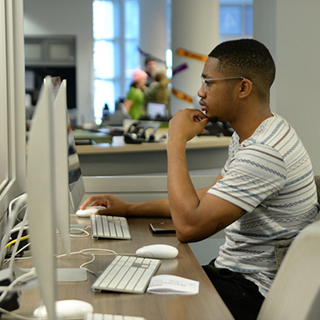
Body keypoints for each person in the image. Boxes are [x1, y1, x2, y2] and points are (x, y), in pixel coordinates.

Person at [80, 39, 319, 320]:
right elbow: (210, 196)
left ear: (243, 87)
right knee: (125, 287)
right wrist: (129, 208)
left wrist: (175, 142)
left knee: (134, 304)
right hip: (232, 275)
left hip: (251, 292)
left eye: (209, 83)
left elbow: (189, 227)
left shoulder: (265, 152)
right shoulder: (255, 135)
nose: (199, 92)